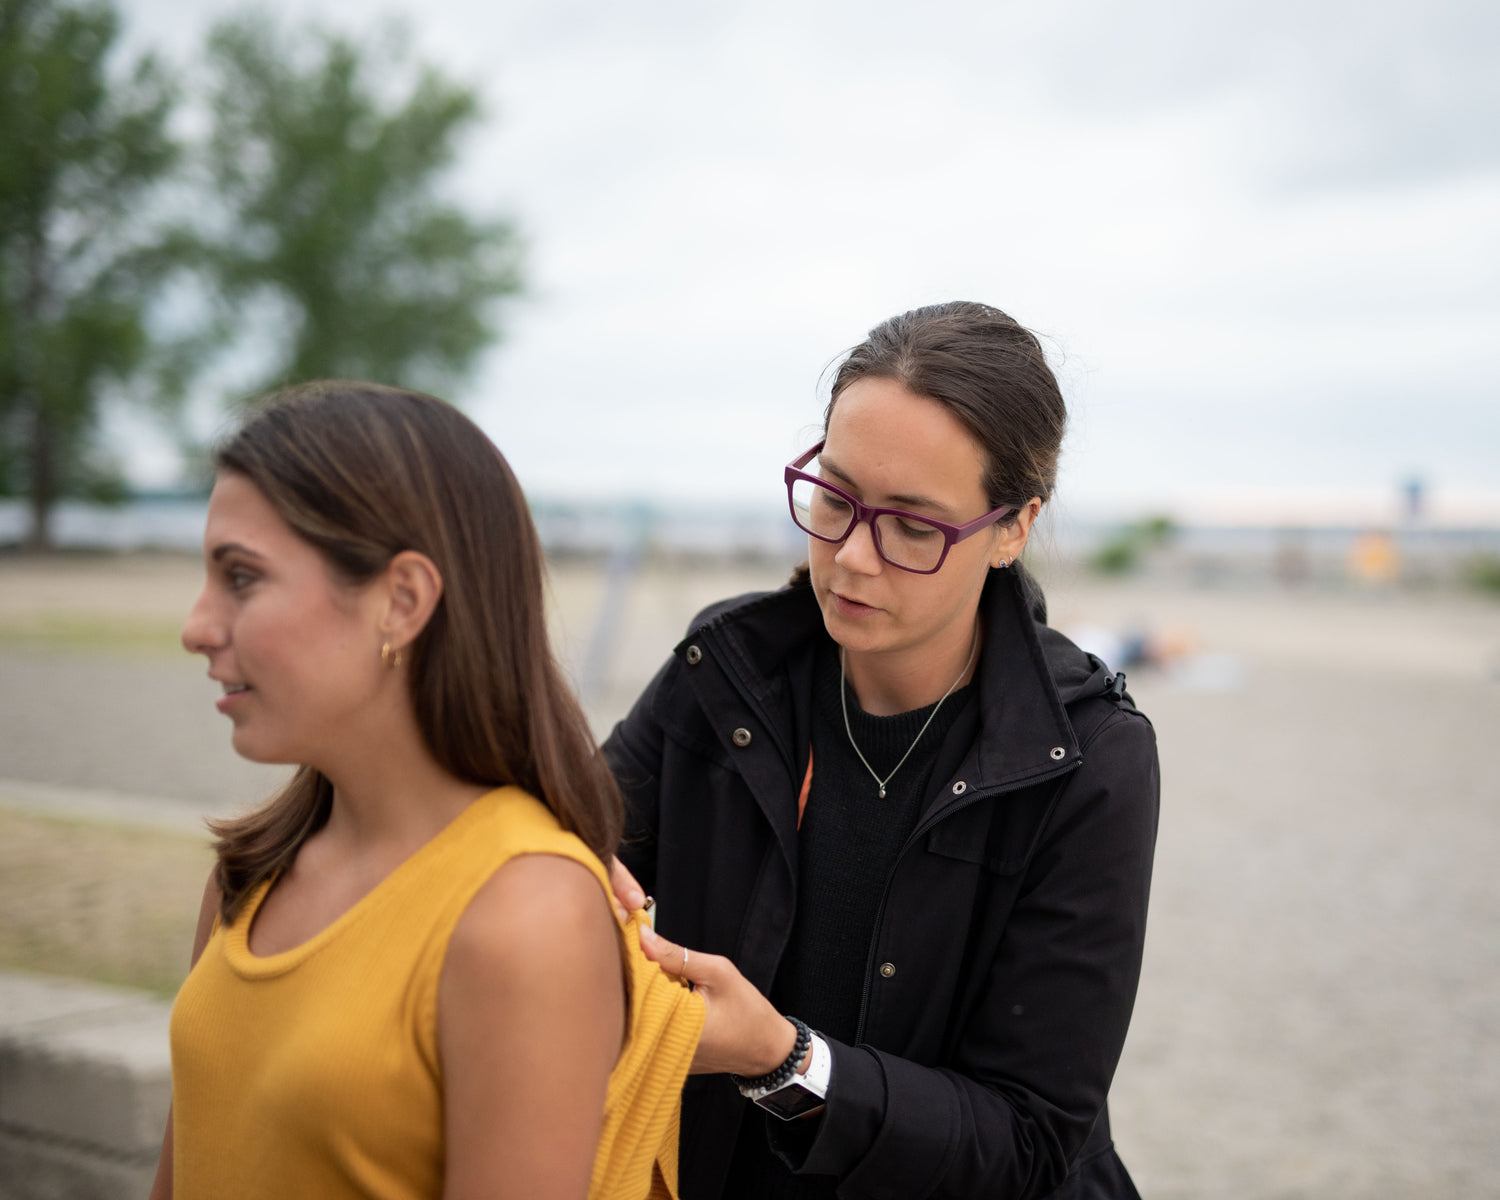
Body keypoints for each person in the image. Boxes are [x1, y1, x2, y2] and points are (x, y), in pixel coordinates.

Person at [604, 302, 1160, 1198]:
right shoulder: (727, 672)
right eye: (835, 497)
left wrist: (782, 1062)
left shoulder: (1089, 757)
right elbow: (567, 835)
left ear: (1013, 527)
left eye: (913, 526)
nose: (853, 557)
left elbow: (1028, 1140)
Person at [151, 381, 703, 1200]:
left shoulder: (524, 914)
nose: (197, 624)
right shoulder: (254, 871)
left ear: (402, 601)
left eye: (241, 578)